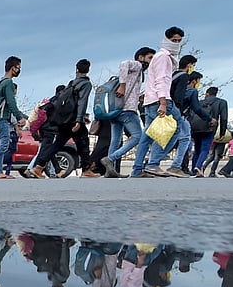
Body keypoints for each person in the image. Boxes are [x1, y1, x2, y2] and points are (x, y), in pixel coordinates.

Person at [129, 27, 186, 178]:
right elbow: (161, 80)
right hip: (161, 99)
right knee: (175, 127)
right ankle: (153, 164)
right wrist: (163, 101)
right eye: (174, 40)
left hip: (151, 100)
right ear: (167, 40)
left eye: (179, 41)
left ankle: (137, 169)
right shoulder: (163, 57)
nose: (177, 43)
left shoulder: (161, 57)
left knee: (147, 135)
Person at [102, 47, 157, 178]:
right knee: (138, 136)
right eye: (150, 58)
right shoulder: (137, 65)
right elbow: (124, 64)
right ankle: (111, 159)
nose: (152, 61)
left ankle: (110, 170)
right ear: (141, 57)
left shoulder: (138, 72)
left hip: (117, 110)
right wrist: (122, 85)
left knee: (116, 140)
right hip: (127, 109)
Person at [36, 59, 94, 178]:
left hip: (64, 119)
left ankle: (39, 167)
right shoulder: (86, 84)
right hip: (74, 119)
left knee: (57, 144)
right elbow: (82, 102)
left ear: (76, 69)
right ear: (88, 70)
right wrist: (79, 119)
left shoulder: (71, 83)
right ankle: (86, 170)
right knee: (83, 143)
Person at [196, 86, 228, 176]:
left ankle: (193, 169)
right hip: (210, 127)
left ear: (207, 94)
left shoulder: (200, 102)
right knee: (205, 148)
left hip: (197, 127)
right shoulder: (221, 102)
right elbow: (224, 118)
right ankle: (198, 166)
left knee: (197, 149)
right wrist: (222, 132)